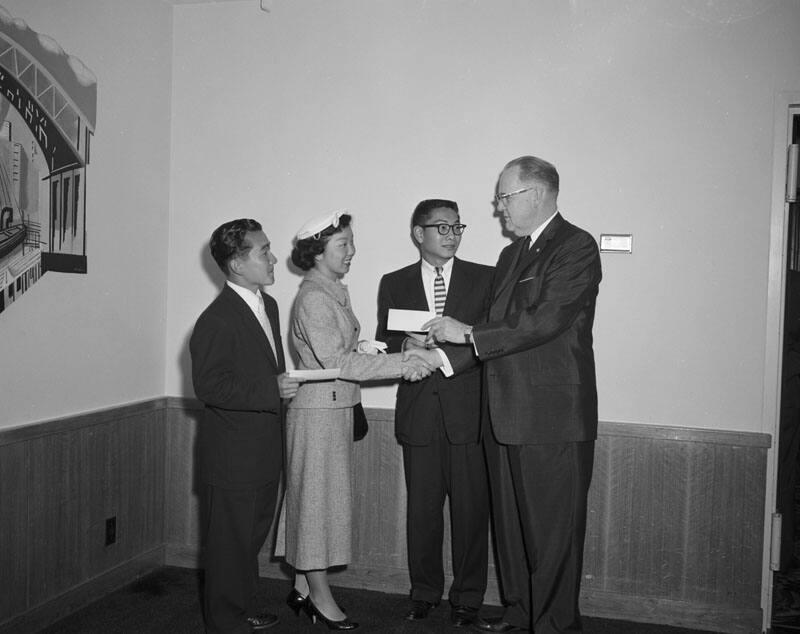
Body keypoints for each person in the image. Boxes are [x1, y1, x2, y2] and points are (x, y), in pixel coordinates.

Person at [424, 156, 602, 633]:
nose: (498, 207)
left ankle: (553, 626)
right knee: (513, 532)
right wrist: (439, 359)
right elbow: (488, 332)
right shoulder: (512, 254)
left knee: (552, 536)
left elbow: (544, 320)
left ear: (537, 194)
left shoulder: (576, 246)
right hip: (504, 415)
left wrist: (465, 337)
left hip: (551, 419)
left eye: (504, 197)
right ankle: (521, 614)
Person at [274, 210, 438, 631]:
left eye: (351, 242)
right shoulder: (314, 297)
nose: (352, 251)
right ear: (317, 253)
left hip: (332, 410)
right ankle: (320, 596)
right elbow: (337, 361)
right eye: (342, 244)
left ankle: (302, 586)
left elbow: (337, 350)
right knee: (315, 505)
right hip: (318, 415)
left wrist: (370, 346)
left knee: (320, 501)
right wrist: (406, 363)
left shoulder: (329, 291)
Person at [375, 199, 493, 628]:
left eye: (456, 226)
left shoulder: (486, 279)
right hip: (420, 416)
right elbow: (385, 341)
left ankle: (468, 599)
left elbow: (490, 345)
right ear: (417, 233)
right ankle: (424, 593)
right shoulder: (394, 281)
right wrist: (403, 348)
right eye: (440, 227)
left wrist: (439, 357)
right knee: (422, 514)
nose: (451, 234)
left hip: (470, 417)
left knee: (470, 514)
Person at [190, 218, 304, 633]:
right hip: (233, 457)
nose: (274, 258)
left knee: (248, 542)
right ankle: (225, 624)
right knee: (228, 547)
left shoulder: (267, 305)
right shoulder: (216, 319)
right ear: (237, 264)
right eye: (263, 251)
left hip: (262, 450)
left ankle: (238, 610)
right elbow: (209, 385)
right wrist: (270, 388)